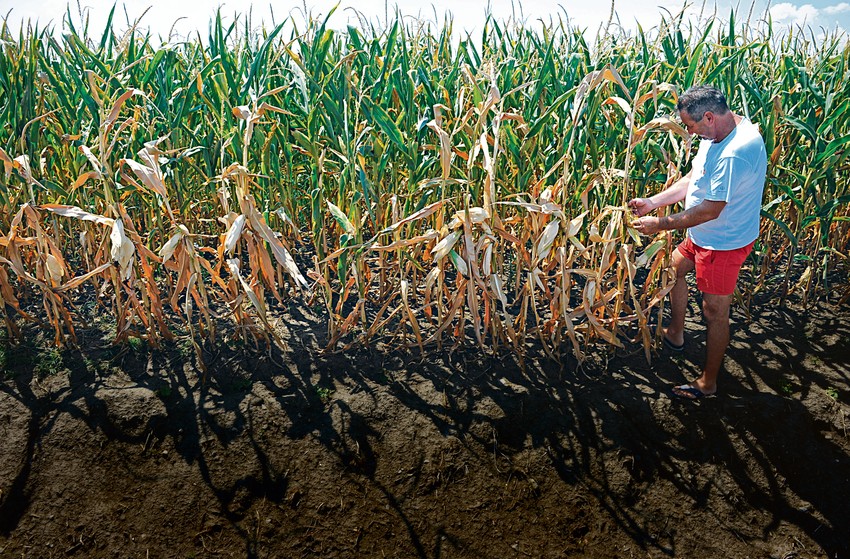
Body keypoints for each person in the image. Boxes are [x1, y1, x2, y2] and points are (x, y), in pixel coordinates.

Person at [628, 85, 767, 399]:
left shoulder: (735, 151)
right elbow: (695, 179)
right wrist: (653, 202)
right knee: (672, 271)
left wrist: (660, 224)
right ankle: (676, 333)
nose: (687, 132)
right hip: (701, 235)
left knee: (714, 312)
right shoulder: (717, 132)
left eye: (690, 126)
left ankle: (708, 383)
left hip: (722, 243)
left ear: (708, 116)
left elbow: (710, 209)